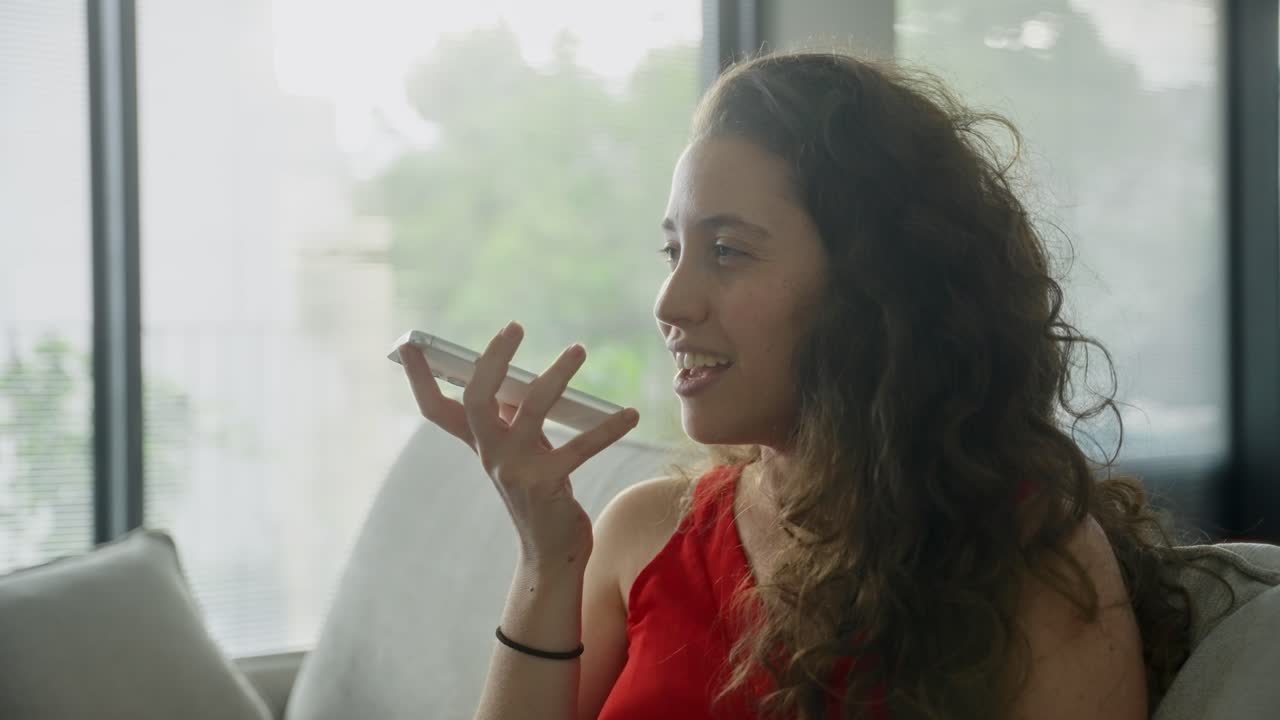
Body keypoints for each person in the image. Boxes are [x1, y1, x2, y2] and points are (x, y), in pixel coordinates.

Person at [399, 50, 1199, 720]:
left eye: (727, 251)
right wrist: (547, 561)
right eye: (673, 251)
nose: (670, 303)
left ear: (873, 287)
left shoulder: (1031, 557)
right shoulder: (641, 535)